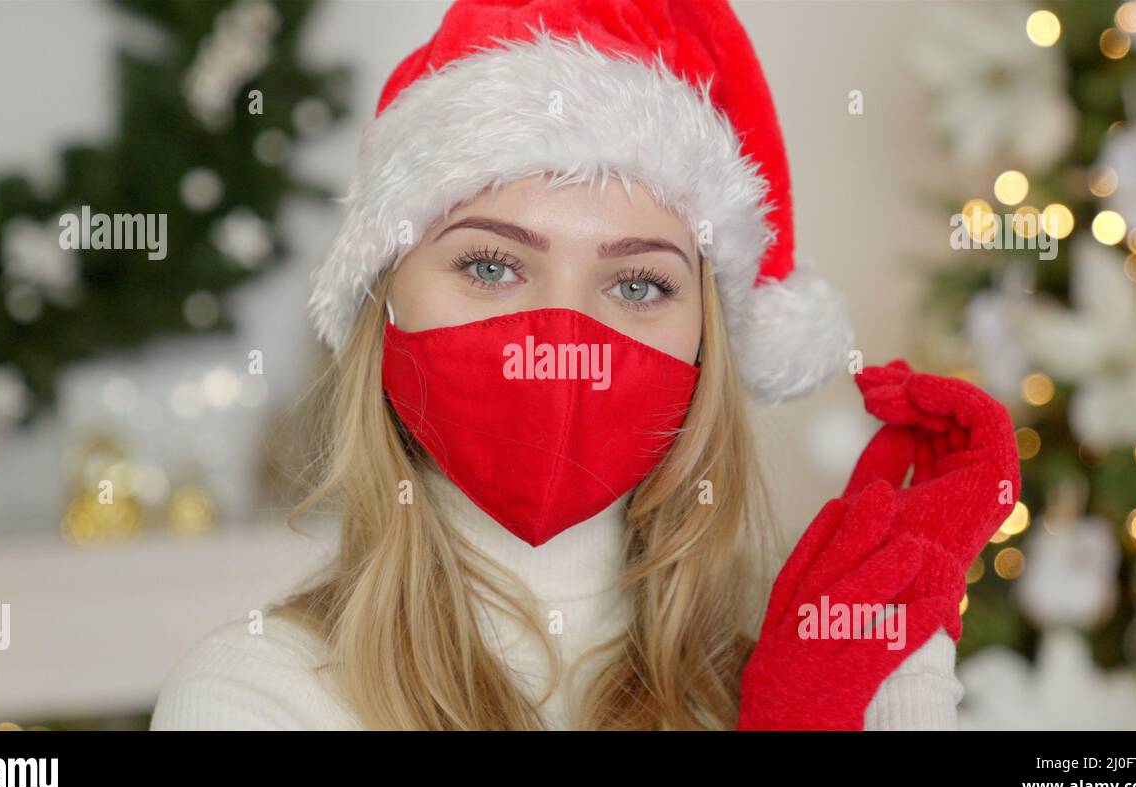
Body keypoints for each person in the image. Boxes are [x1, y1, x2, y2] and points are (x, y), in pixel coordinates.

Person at [150, 0, 1017, 731]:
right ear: (384, 302)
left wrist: (895, 695)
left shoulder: (775, 671)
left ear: (708, 347)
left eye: (637, 282)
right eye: (490, 265)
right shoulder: (252, 698)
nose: (558, 337)